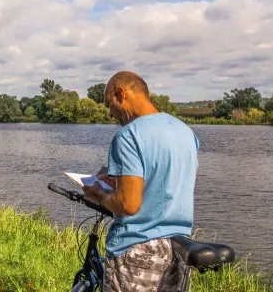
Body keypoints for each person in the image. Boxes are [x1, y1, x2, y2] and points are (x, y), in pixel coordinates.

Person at [83, 71, 199, 292]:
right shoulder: (185, 132)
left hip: (137, 249)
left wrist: (98, 193)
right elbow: (165, 183)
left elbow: (128, 205)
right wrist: (118, 184)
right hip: (180, 248)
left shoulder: (128, 136)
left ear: (121, 94)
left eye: (109, 104)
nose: (110, 113)